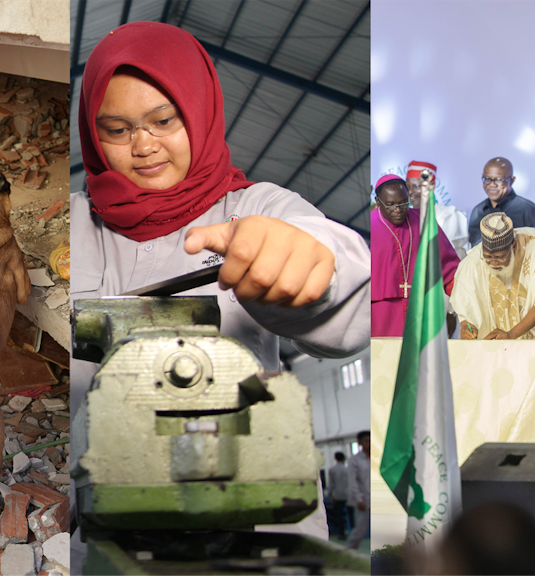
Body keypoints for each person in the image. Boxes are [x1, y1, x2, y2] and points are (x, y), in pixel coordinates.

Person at [69, 21, 370, 544]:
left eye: (164, 120)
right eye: (116, 130)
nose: (142, 146)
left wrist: (309, 265)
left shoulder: (255, 207)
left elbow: (346, 291)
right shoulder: (73, 222)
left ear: (200, 111)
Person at [451, 213, 535, 340]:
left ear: (513, 246)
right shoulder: (474, 259)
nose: (494, 263)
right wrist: (466, 326)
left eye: (499, 257)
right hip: (496, 342)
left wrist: (512, 334)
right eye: (488, 257)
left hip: (534, 339)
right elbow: (464, 298)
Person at [371, 174, 459, 337]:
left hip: (423, 309)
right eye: (390, 205)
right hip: (382, 316)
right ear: (378, 202)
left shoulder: (425, 221)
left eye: (403, 203)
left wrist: (465, 304)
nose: (398, 210)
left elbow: (450, 270)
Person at [467, 157, 535, 248]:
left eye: (499, 179)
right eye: (487, 179)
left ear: (511, 180)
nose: (492, 184)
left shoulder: (530, 211)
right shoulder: (477, 211)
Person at [406, 161, 470, 259]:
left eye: (416, 186)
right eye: (408, 187)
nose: (410, 192)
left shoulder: (450, 215)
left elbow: (455, 257)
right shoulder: (404, 216)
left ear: (432, 185)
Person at [347, 430, 371, 550]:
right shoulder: (354, 460)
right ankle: (350, 552)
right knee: (360, 530)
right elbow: (352, 481)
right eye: (366, 441)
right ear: (360, 443)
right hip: (363, 500)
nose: (369, 443)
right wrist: (358, 499)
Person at [327, 451, 350, 539]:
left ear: (335, 458)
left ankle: (342, 534)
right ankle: (351, 532)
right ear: (343, 458)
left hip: (338, 496)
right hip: (348, 495)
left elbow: (331, 484)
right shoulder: (347, 470)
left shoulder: (332, 470)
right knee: (350, 515)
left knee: (339, 516)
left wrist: (330, 495)